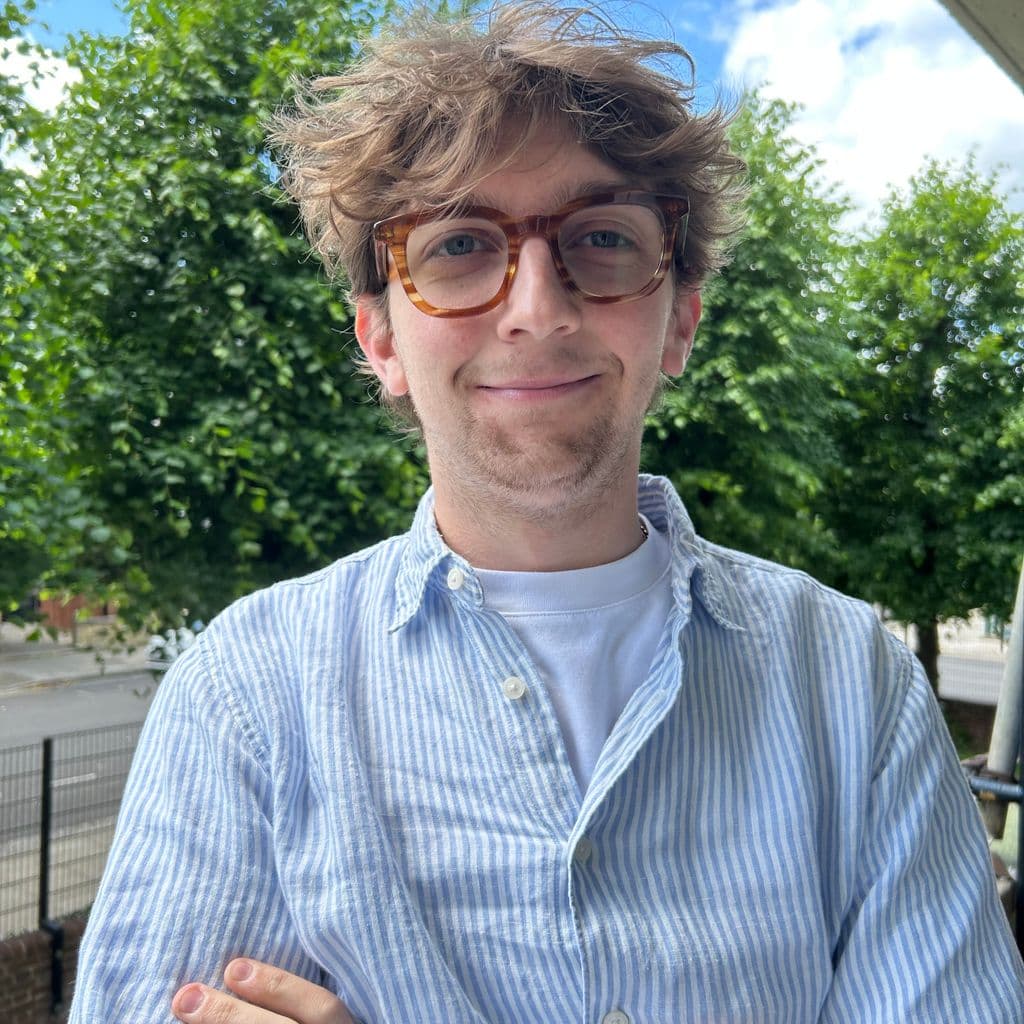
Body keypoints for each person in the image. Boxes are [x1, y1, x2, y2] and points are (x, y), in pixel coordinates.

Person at [69, 3, 1024, 1023]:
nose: (535, 306)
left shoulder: (852, 682)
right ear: (380, 340)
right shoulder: (247, 697)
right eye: (458, 245)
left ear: (680, 322)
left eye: (603, 238)